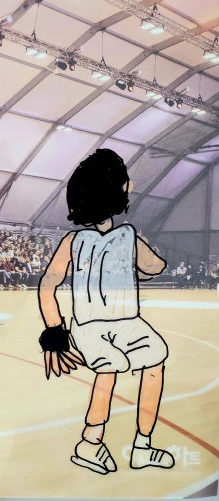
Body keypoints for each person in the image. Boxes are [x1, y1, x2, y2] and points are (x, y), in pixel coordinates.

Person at [37, 149, 173, 475]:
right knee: (116, 365)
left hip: (123, 322)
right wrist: (55, 331)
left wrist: (55, 328)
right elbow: (156, 267)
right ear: (117, 190)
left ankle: (142, 447)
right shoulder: (126, 237)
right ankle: (91, 442)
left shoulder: (77, 240)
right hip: (91, 325)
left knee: (153, 357)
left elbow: (48, 284)